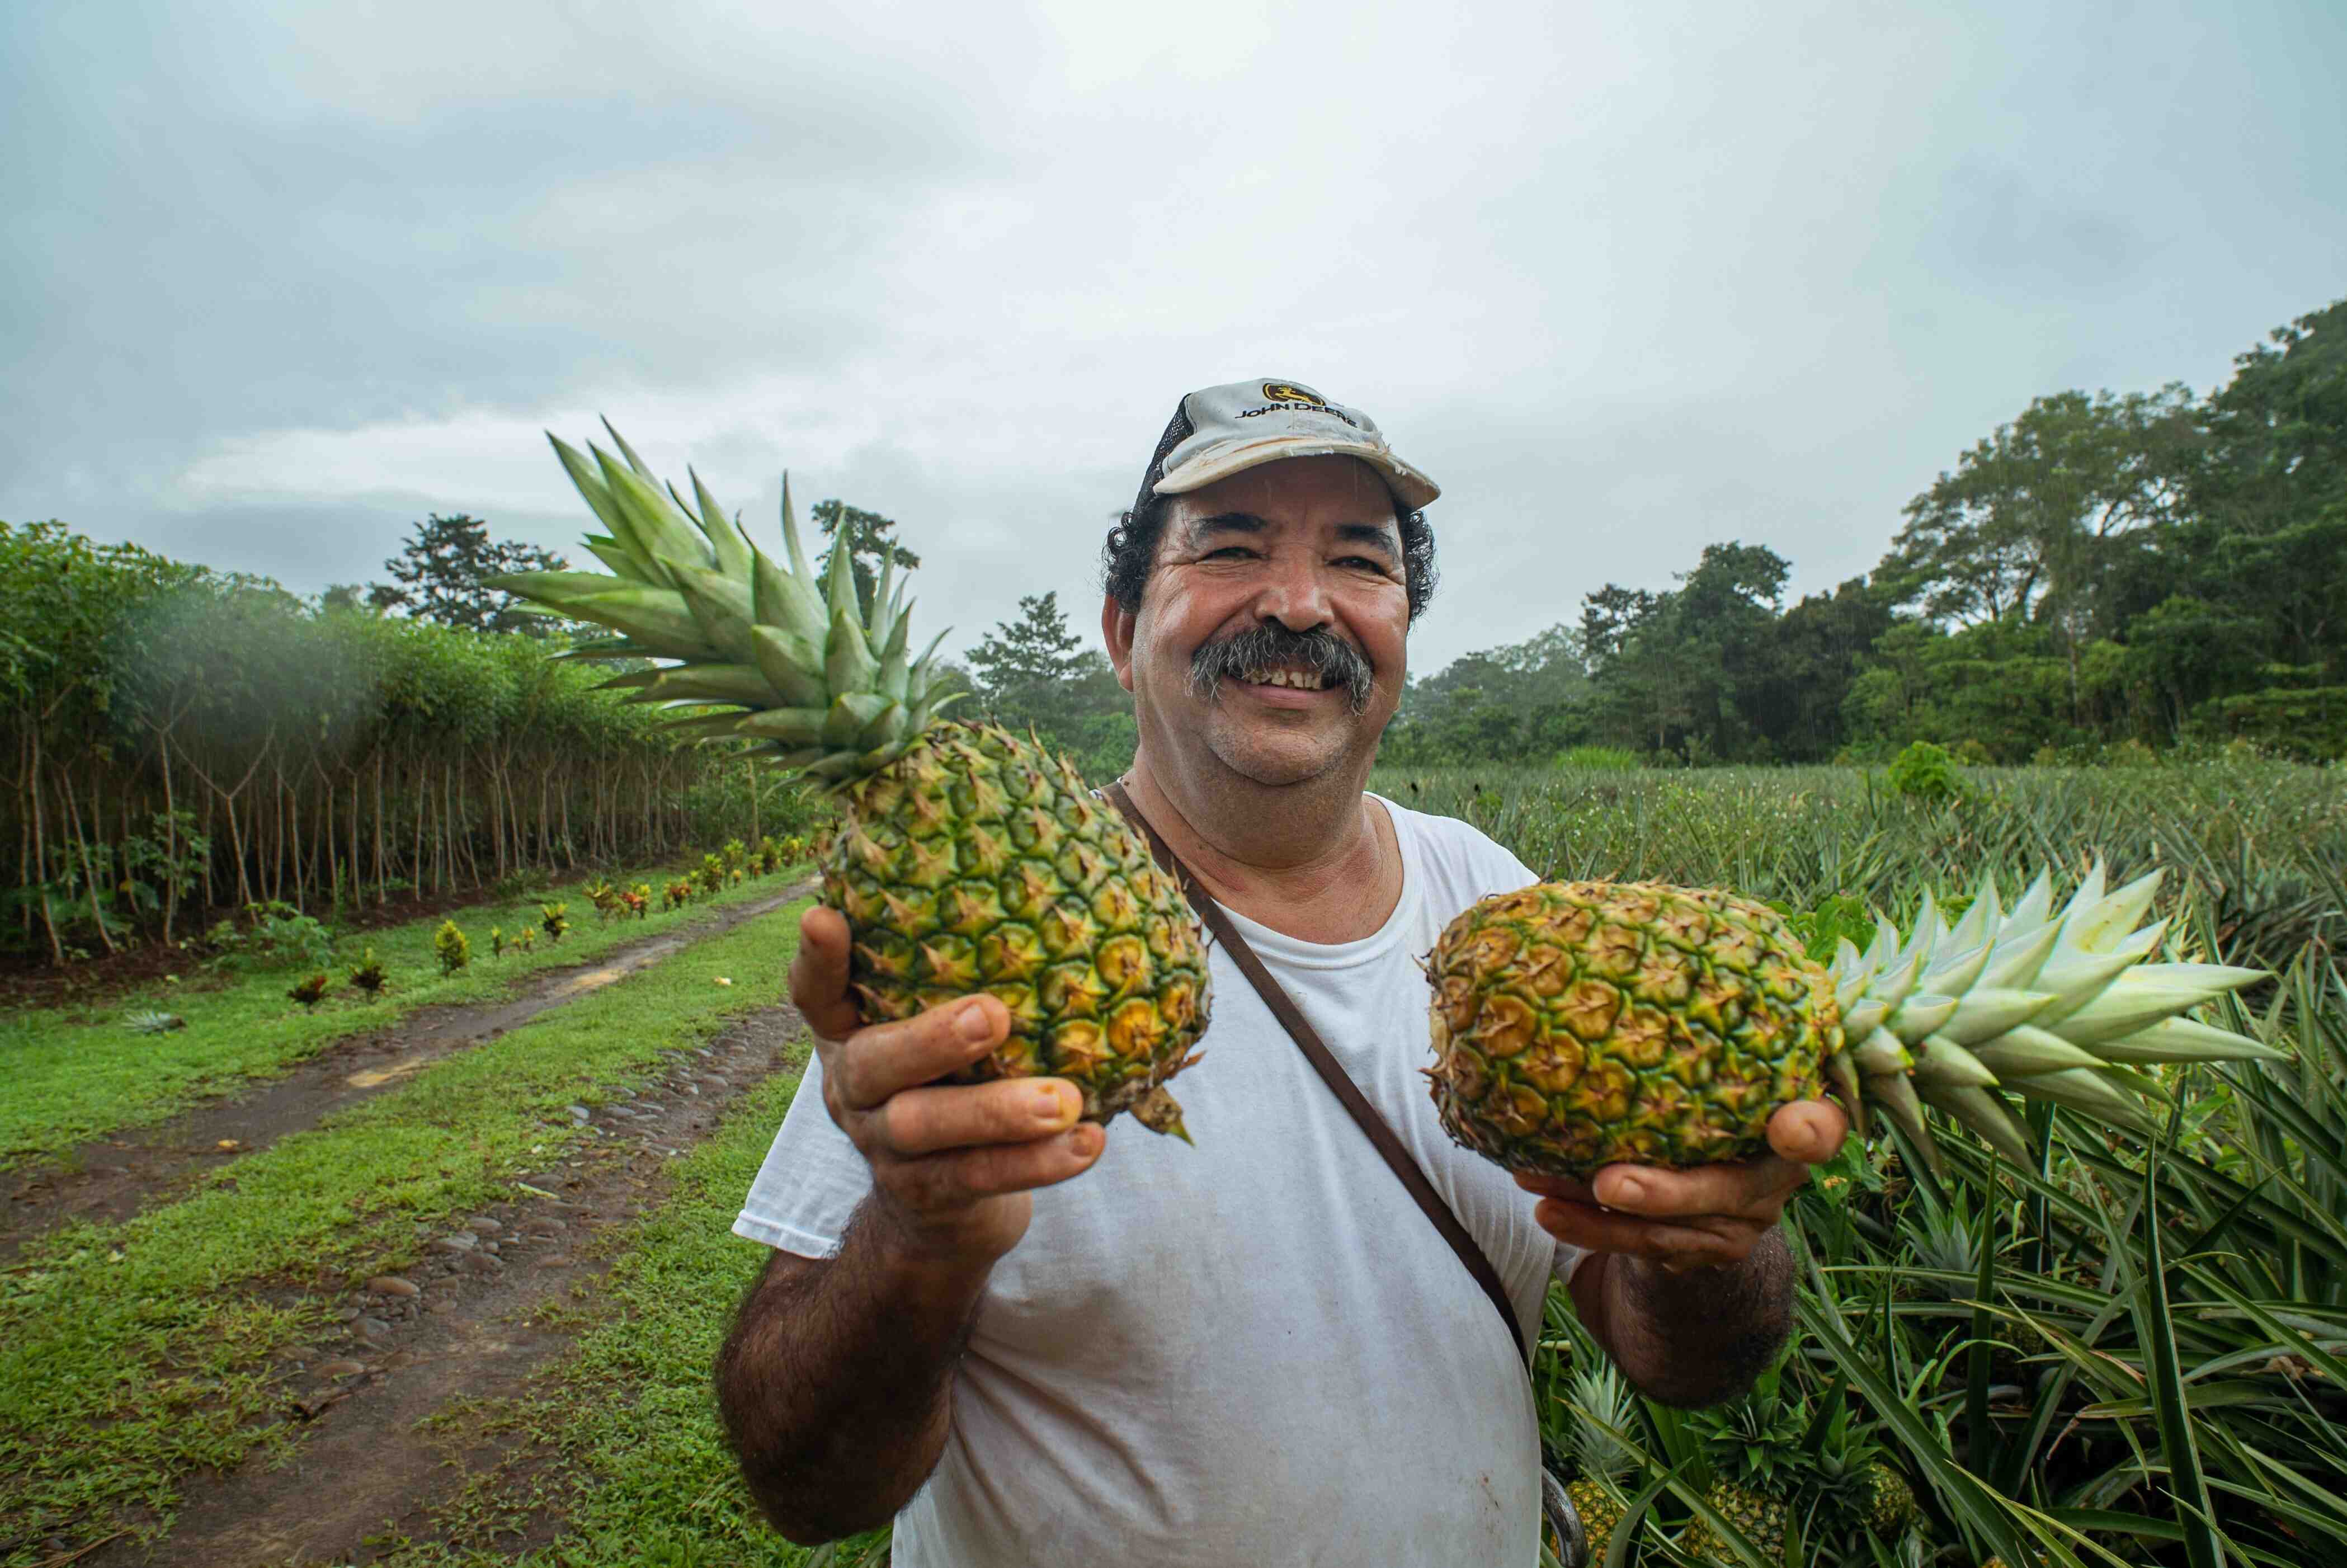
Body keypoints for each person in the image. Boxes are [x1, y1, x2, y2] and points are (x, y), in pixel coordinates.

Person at [714, 379, 1851, 1565]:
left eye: (1359, 562)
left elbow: (1680, 1367)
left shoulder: (1501, 910)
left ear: (1402, 630)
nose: (1301, 603)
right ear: (1119, 628)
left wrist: (1707, 1245)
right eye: (1232, 546)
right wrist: (915, 1237)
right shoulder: (975, 956)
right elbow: (810, 1489)